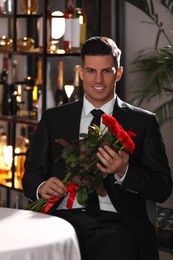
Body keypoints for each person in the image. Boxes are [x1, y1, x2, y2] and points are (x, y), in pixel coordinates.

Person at [22, 36, 172, 260]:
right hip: (60, 220)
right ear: (81, 72)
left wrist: (124, 170)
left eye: (107, 71)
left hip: (116, 224)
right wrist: (41, 186)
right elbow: (31, 175)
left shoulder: (143, 122)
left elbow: (162, 188)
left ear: (118, 73)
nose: (98, 79)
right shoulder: (54, 118)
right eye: (91, 71)